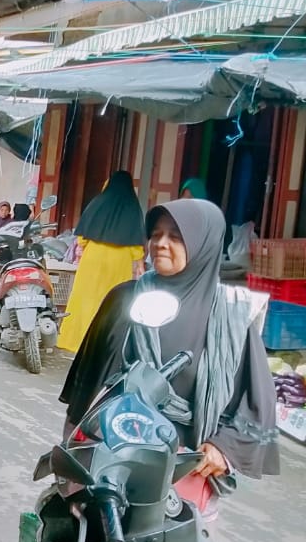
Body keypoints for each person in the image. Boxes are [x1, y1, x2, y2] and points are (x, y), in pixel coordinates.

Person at [59, 199, 279, 523]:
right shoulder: (125, 299)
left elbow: (257, 402)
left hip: (184, 474)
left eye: (176, 236)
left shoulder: (231, 317)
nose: (161, 243)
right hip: (110, 463)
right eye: (156, 234)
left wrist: (224, 448)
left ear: (204, 245)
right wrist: (71, 462)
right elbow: (87, 387)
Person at [56, 170, 145, 352]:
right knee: (112, 301)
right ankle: (104, 345)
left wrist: (84, 247)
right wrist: (140, 264)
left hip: (93, 258)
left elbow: (83, 237)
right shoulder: (133, 207)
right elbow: (136, 243)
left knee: (85, 298)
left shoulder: (98, 202)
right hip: (119, 261)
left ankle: (76, 341)